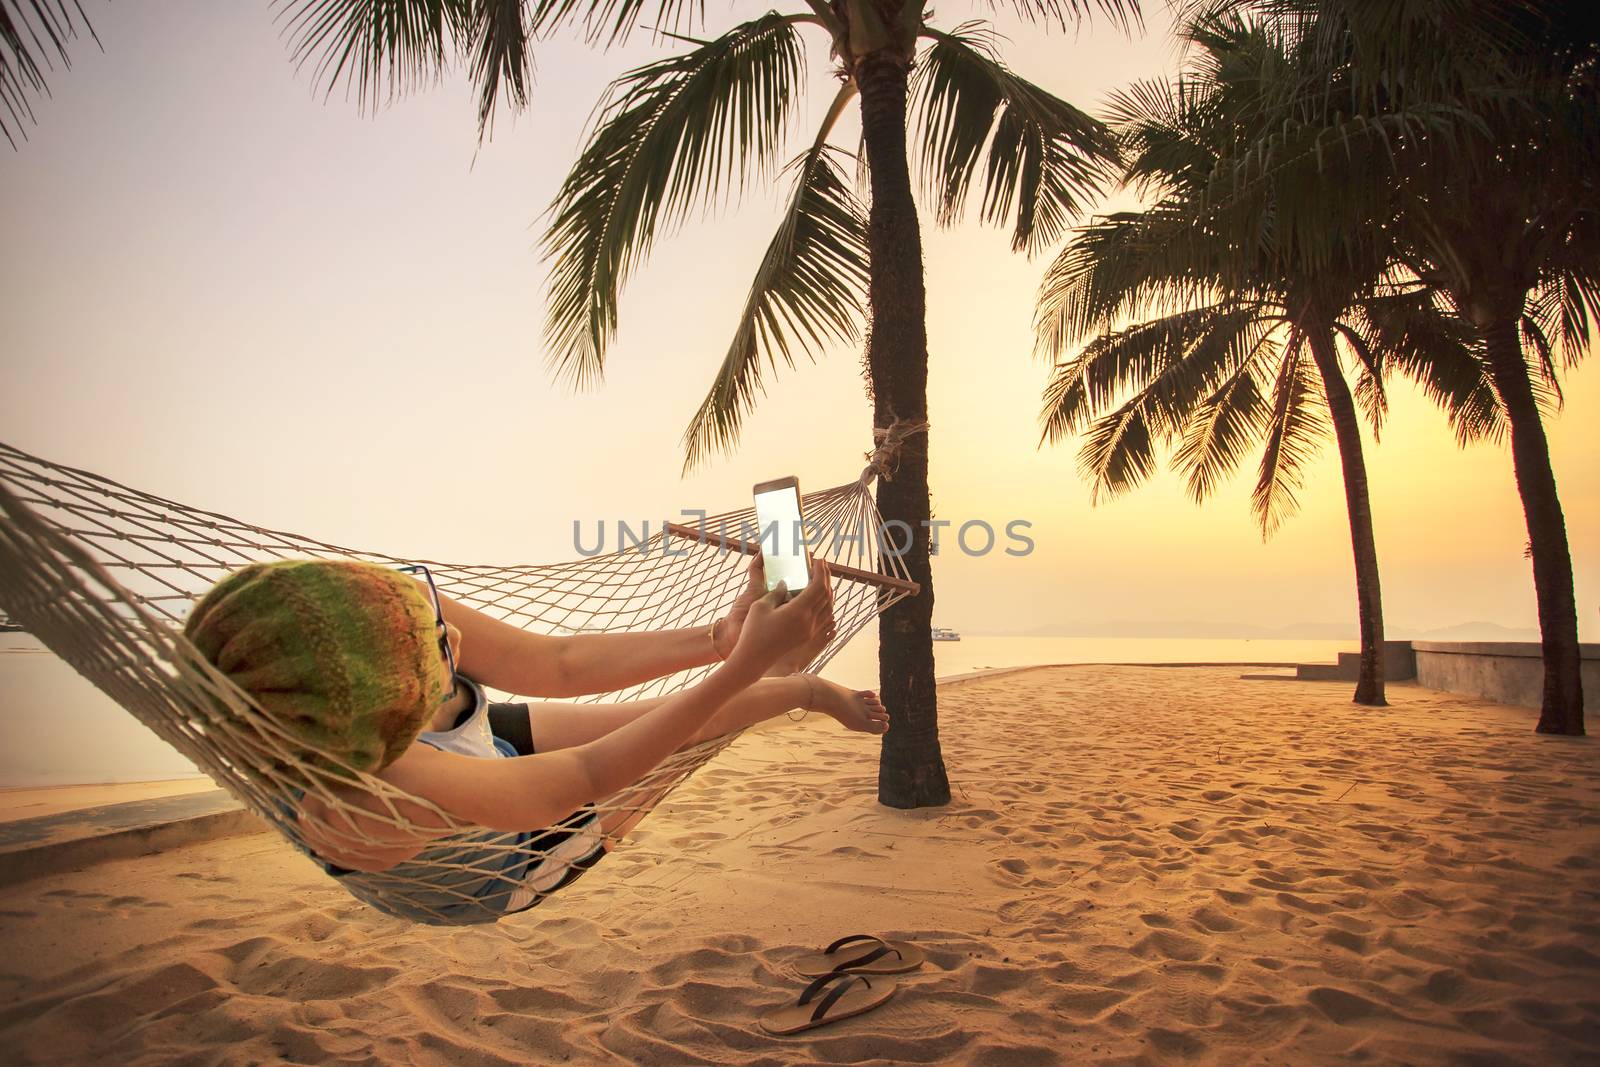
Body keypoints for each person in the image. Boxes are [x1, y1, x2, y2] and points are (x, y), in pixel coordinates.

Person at [183, 555, 888, 923]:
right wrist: (742, 670)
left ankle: (798, 684)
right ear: (381, 716)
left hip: (475, 742)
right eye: (430, 646)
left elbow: (559, 664)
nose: (453, 637)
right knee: (688, 728)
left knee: (689, 708)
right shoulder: (370, 805)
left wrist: (719, 640)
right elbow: (582, 774)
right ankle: (806, 690)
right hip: (503, 854)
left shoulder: (355, 618)